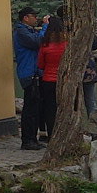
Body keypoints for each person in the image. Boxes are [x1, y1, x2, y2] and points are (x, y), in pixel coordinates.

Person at [12, 7, 49, 149]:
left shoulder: (29, 31)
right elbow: (37, 42)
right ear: (25, 18)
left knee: (36, 108)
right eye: (33, 16)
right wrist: (45, 27)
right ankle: (27, 140)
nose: (35, 18)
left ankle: (33, 138)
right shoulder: (21, 32)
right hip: (28, 73)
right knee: (30, 109)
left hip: (34, 73)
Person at [34, 7, 70, 146]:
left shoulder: (45, 45)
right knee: (64, 107)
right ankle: (64, 135)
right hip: (64, 81)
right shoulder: (67, 45)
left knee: (50, 109)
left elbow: (40, 65)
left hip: (48, 81)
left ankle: (51, 136)